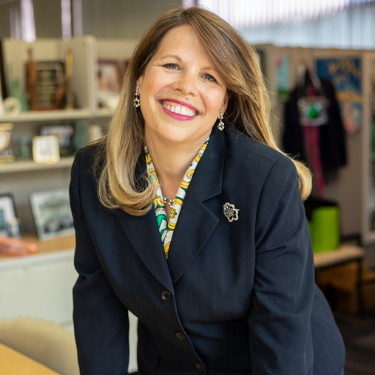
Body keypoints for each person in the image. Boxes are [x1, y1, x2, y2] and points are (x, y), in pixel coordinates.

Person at [70, 7, 345, 375]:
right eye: (171, 66)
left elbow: (281, 331)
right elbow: (98, 306)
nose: (186, 86)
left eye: (209, 76)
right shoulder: (94, 172)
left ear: (224, 102)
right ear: (138, 76)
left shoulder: (266, 179)